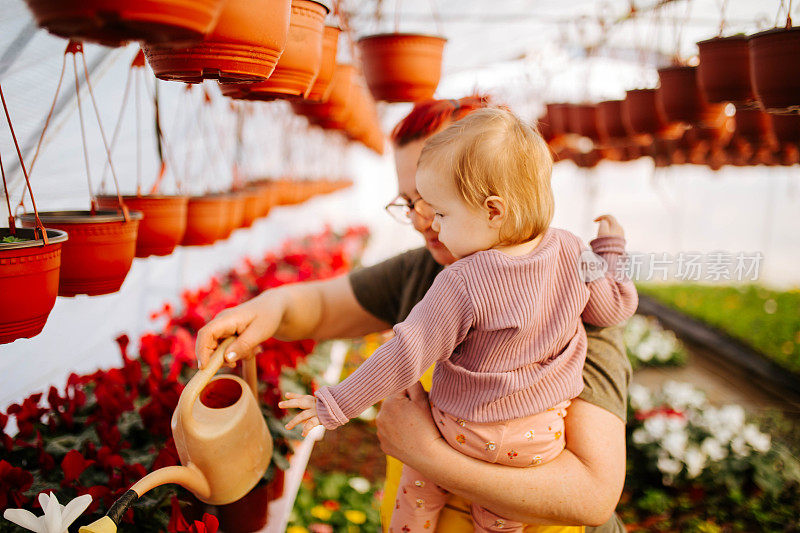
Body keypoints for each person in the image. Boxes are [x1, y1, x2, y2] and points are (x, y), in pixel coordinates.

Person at [196, 96, 632, 533]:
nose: (425, 221)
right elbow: (324, 305)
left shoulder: (486, 286)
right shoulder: (453, 263)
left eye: (435, 204)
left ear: (492, 203)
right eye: (410, 202)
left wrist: (423, 453)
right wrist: (266, 308)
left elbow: (592, 497)